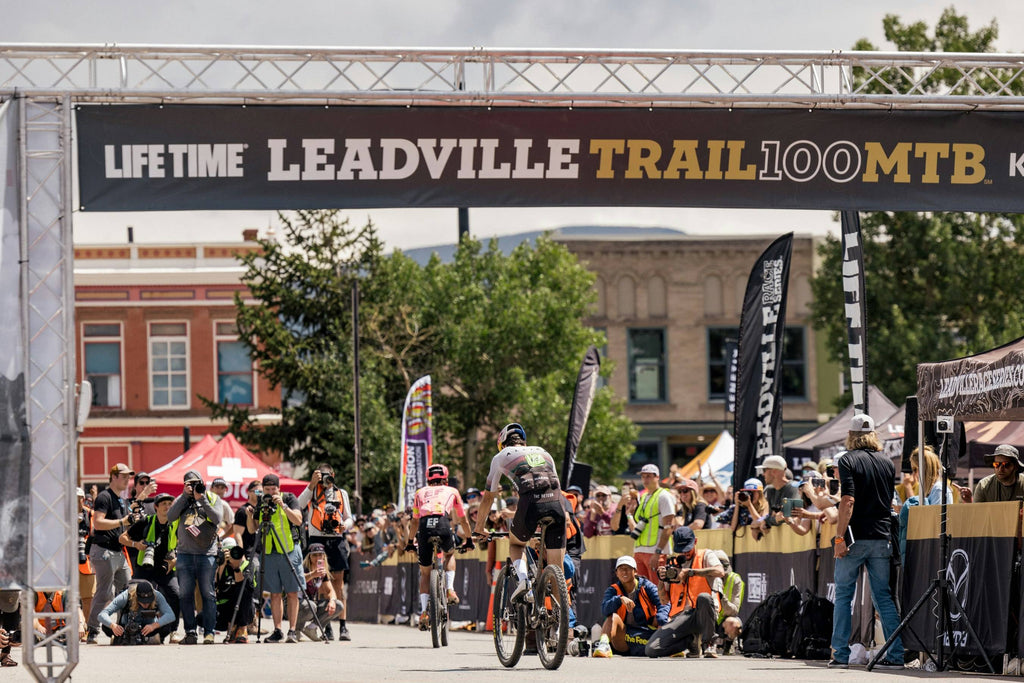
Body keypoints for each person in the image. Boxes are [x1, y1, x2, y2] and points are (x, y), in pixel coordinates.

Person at [830, 414, 904, 670]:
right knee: (883, 597)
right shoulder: (886, 461)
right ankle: (896, 655)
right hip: (882, 536)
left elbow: (848, 501)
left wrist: (839, 537)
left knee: (843, 595)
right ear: (873, 435)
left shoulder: (847, 459)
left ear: (850, 435)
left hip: (855, 538)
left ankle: (840, 654)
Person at [473, 423, 566, 602]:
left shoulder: (500, 456)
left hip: (531, 503)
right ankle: (561, 624)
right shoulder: (544, 451)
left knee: (516, 544)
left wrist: (479, 527)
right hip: (556, 503)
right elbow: (557, 485)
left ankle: (523, 581)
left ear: (502, 443)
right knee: (557, 568)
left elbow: (488, 497)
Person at [409, 463, 473, 630]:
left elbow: (414, 520)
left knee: (425, 572)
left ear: (428, 478)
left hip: (424, 526)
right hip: (443, 523)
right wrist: (469, 539)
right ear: (445, 478)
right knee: (450, 554)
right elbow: (462, 519)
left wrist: (409, 542)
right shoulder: (452, 491)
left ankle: (423, 612)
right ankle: (450, 589)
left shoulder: (420, 492)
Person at [644, 526, 724, 658]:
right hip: (682, 617)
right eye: (681, 550)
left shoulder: (706, 555)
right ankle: (691, 642)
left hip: (703, 614)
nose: (685, 553)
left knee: (704, 597)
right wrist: (661, 581)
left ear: (695, 542)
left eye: (688, 548)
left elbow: (720, 572)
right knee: (651, 649)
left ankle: (709, 643)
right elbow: (664, 601)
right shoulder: (672, 564)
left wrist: (690, 572)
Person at [297, 463, 354, 641]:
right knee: (321, 582)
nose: (325, 479)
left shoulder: (341, 493)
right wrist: (312, 484)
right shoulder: (312, 490)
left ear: (333, 474)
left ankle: (343, 626)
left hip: (336, 539)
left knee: (338, 583)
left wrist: (346, 526)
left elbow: (349, 517)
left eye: (328, 475)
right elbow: (298, 504)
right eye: (322, 476)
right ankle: (326, 625)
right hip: (317, 540)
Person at [166, 469, 223, 645]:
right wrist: (185, 496)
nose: (193, 486)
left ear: (202, 482)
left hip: (207, 555)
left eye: (196, 482)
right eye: (189, 483)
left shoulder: (213, 498)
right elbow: (170, 517)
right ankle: (190, 632)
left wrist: (202, 499)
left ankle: (209, 633)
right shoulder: (181, 500)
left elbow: (217, 518)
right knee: (185, 595)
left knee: (208, 594)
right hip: (184, 555)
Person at [246, 472, 304, 643]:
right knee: (275, 593)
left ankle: (292, 630)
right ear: (263, 490)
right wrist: (250, 515)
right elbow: (252, 529)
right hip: (269, 552)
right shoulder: (261, 502)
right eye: (267, 489)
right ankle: (278, 629)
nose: (271, 493)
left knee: (292, 592)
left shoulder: (289, 498)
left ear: (279, 488)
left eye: (273, 489)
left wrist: (283, 506)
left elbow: (299, 520)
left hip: (289, 550)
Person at [86, 463, 134, 644]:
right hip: (103, 550)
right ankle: (92, 630)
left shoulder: (121, 500)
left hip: (117, 551)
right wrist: (122, 520)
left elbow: (122, 527)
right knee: (104, 593)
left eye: (129, 477)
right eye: (124, 476)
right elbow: (98, 523)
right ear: (113, 476)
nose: (127, 480)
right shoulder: (104, 497)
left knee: (128, 590)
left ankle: (124, 628)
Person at [120, 491, 180, 636]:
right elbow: (122, 538)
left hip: (165, 567)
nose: (167, 507)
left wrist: (174, 559)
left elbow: (183, 545)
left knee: (176, 594)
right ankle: (129, 627)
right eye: (163, 504)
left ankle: (173, 631)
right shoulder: (146, 521)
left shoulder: (176, 524)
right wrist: (136, 544)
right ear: (156, 507)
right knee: (132, 594)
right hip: (145, 567)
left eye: (169, 504)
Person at [591, 555, 669, 658]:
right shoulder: (613, 590)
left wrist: (661, 621)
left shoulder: (647, 586)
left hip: (647, 632)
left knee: (666, 618)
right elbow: (605, 610)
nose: (624, 572)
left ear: (635, 571)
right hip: (624, 637)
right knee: (612, 617)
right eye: (621, 569)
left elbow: (663, 604)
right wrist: (619, 599)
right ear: (616, 573)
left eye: (628, 568)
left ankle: (670, 646)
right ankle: (603, 646)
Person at [629, 464, 675, 582]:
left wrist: (658, 552)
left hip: (655, 551)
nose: (645, 479)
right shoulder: (644, 496)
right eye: (643, 477)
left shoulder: (664, 496)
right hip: (640, 550)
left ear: (657, 477)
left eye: (649, 476)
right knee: (643, 591)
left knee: (657, 591)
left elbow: (669, 527)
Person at [97, 580, 175, 645]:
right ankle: (120, 638)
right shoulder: (125, 596)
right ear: (136, 596)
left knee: (167, 626)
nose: (146, 604)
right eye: (143, 602)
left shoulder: (157, 596)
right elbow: (102, 615)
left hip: (149, 629)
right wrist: (113, 626)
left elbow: (170, 615)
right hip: (126, 629)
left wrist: (154, 626)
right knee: (106, 626)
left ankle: (153, 637)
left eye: (148, 602)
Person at [295, 543, 346, 642]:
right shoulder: (304, 567)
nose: (317, 558)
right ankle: (296, 630)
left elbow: (331, 591)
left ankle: (312, 628)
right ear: (309, 557)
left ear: (324, 556)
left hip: (310, 604)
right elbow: (299, 579)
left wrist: (332, 601)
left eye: (320, 555)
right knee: (311, 606)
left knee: (338, 605)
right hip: (296, 604)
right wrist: (312, 574)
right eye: (314, 555)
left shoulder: (322, 572)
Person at [215, 543, 255, 643]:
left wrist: (236, 567)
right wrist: (222, 564)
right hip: (226, 607)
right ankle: (232, 627)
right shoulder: (220, 565)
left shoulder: (247, 564)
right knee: (201, 618)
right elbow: (217, 585)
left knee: (242, 591)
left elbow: (245, 587)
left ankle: (242, 628)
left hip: (244, 608)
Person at [959, 444, 1024, 503]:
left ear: (1016, 467)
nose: (1000, 469)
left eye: (1006, 465)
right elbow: (977, 513)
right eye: (997, 464)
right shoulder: (984, 486)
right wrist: (969, 502)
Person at [754, 454, 799, 532]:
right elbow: (766, 517)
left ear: (774, 471)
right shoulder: (770, 489)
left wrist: (771, 520)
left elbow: (787, 517)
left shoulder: (793, 487)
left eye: (764, 470)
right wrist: (770, 520)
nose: (763, 474)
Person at [713, 549, 744, 655]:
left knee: (733, 623)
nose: (721, 576)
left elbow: (734, 611)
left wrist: (721, 596)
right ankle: (700, 645)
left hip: (724, 619)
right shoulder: (704, 577)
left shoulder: (735, 580)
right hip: (709, 618)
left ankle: (729, 644)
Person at [77, 486, 96, 638]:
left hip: (86, 561)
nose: (77, 501)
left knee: (88, 598)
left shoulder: (90, 514)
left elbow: (96, 534)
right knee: (64, 597)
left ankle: (87, 630)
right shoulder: (60, 514)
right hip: (66, 562)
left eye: (79, 498)